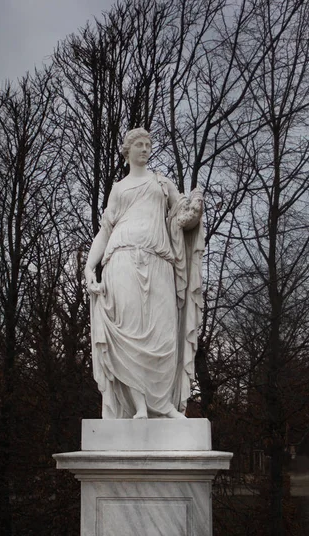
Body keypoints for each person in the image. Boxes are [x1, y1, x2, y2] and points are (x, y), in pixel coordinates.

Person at [85, 128, 205, 419]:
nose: (145, 149)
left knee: (163, 334)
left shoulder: (162, 184)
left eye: (148, 144)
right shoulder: (118, 189)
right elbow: (104, 232)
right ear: (127, 150)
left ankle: (163, 406)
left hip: (159, 261)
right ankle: (139, 406)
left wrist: (196, 208)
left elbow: (183, 217)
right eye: (138, 144)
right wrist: (90, 267)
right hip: (121, 259)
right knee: (130, 332)